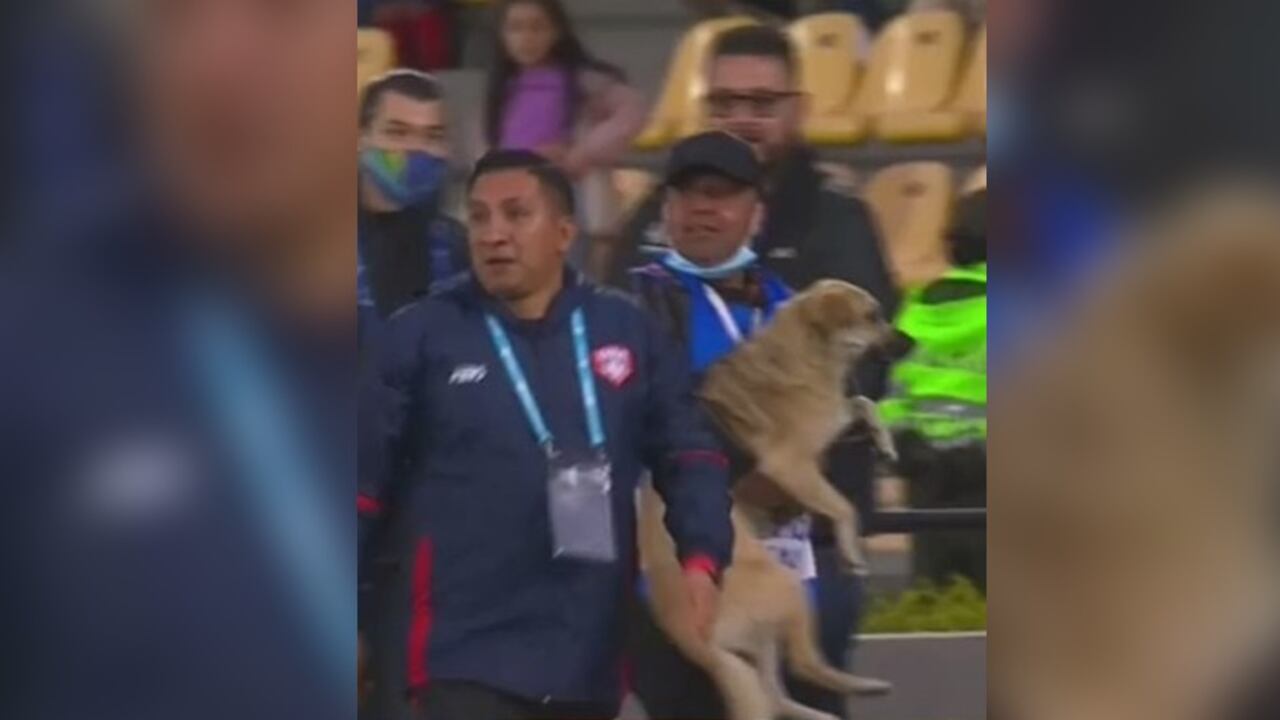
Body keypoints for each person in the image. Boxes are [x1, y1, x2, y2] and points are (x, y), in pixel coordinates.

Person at [0, 1, 354, 719]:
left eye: (279, 14)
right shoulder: (38, 348)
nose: (214, 63)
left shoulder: (431, 338)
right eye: (176, 19)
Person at [357, 149, 733, 720]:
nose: (493, 235)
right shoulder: (422, 335)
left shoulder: (625, 329)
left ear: (563, 232)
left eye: (515, 215)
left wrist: (703, 554)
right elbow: (358, 482)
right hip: (458, 655)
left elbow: (690, 452)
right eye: (479, 217)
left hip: (587, 655)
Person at [613, 24, 899, 717]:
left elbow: (876, 361)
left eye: (762, 101)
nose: (743, 116)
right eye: (726, 101)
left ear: (796, 109)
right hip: (678, 551)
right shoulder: (646, 233)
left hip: (806, 541)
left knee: (802, 693)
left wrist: (790, 448)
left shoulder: (840, 220)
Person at [484, 0, 647, 276]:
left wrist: (579, 153)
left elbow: (632, 111)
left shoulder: (582, 83)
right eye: (516, 29)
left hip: (565, 202)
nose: (526, 39)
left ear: (556, 32)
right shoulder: (504, 88)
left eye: (537, 28)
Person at [358, 69, 468, 346]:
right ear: (360, 138)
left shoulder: (460, 248)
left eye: (433, 136)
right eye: (397, 132)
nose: (416, 149)